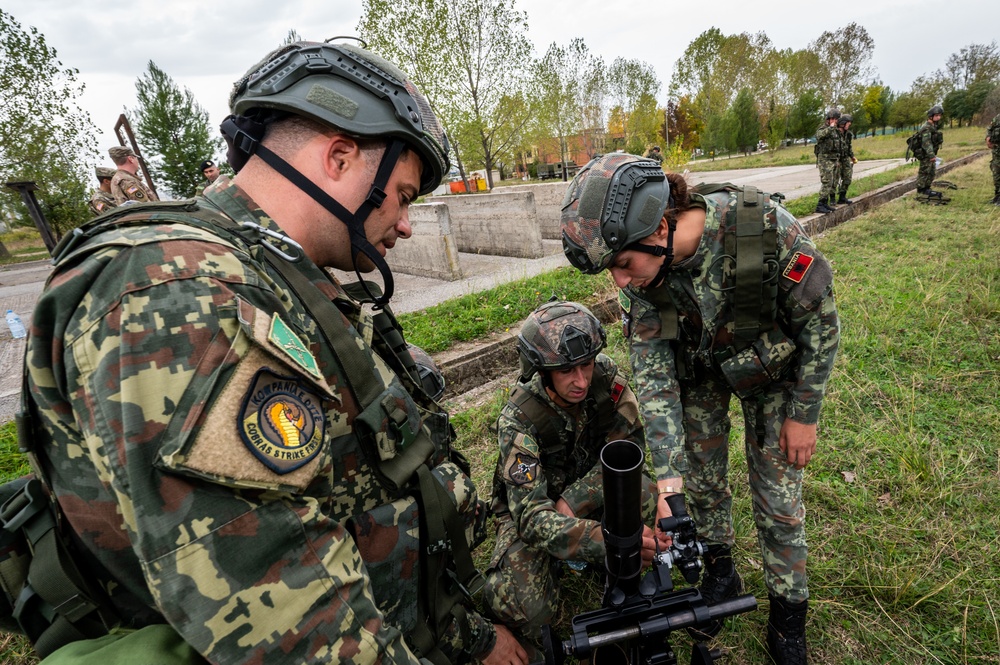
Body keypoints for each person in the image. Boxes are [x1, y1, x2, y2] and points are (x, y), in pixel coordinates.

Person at [23, 41, 526, 665]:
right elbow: (286, 613)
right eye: (402, 195)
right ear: (340, 157)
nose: (405, 224)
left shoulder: (264, 268)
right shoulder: (183, 297)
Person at [561, 153, 840, 664]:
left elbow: (821, 322)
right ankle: (719, 569)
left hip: (773, 375)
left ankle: (788, 613)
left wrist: (805, 412)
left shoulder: (763, 230)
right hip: (704, 373)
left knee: (777, 499)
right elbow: (655, 378)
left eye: (623, 264)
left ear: (660, 227)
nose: (621, 282)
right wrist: (670, 484)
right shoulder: (646, 285)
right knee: (702, 481)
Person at [482, 300, 657, 646]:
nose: (581, 381)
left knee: (645, 492)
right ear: (541, 370)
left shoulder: (607, 381)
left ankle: (614, 574)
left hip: (583, 495)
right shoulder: (518, 420)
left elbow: (630, 453)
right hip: (533, 513)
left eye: (587, 365)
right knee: (522, 608)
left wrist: (573, 501)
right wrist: (599, 543)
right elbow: (530, 517)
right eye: (566, 372)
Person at [814, 108, 842, 214]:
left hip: (833, 159)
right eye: (833, 119)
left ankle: (825, 203)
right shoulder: (823, 129)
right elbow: (819, 136)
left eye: (836, 119)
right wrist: (830, 128)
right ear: (828, 119)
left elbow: (838, 145)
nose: (834, 121)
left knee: (832, 182)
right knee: (827, 182)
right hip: (825, 159)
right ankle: (820, 205)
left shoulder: (836, 131)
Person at [915, 104, 945, 199]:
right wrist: (931, 155)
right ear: (931, 116)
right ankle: (921, 189)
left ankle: (927, 188)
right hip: (925, 154)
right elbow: (926, 143)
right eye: (936, 116)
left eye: (939, 115)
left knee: (931, 172)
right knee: (924, 171)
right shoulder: (926, 128)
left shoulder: (933, 127)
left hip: (930, 154)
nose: (938, 117)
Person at [835, 113, 857, 205]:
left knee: (847, 177)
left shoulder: (848, 134)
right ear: (843, 123)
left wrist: (852, 156)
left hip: (845, 158)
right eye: (848, 123)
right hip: (836, 159)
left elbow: (849, 147)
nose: (849, 125)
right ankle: (831, 199)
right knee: (835, 179)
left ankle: (842, 197)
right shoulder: (835, 133)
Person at [986, 111, 1000, 205]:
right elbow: (990, 129)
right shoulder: (997, 118)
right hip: (996, 150)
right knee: (996, 173)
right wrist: (988, 138)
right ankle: (997, 195)